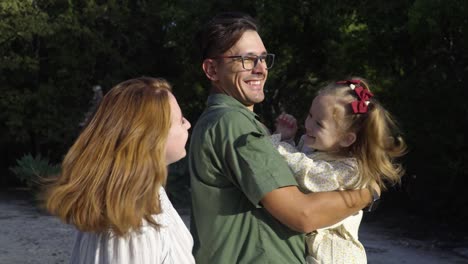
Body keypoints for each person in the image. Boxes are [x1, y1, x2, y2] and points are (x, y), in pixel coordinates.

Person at [189, 12, 378, 263]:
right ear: (212, 69)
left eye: (263, 58)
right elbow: (303, 215)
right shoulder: (231, 123)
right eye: (247, 59)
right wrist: (368, 193)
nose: (261, 69)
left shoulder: (228, 121)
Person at [44, 77, 195, 264]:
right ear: (152, 138)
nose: (187, 124)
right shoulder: (133, 230)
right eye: (180, 120)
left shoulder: (145, 196)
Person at [273, 78, 407, 263]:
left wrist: (278, 147)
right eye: (310, 115)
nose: (308, 124)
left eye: (319, 124)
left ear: (346, 139)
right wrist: (287, 139)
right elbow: (294, 168)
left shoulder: (351, 169)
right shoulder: (312, 145)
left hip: (335, 255)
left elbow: (308, 175)